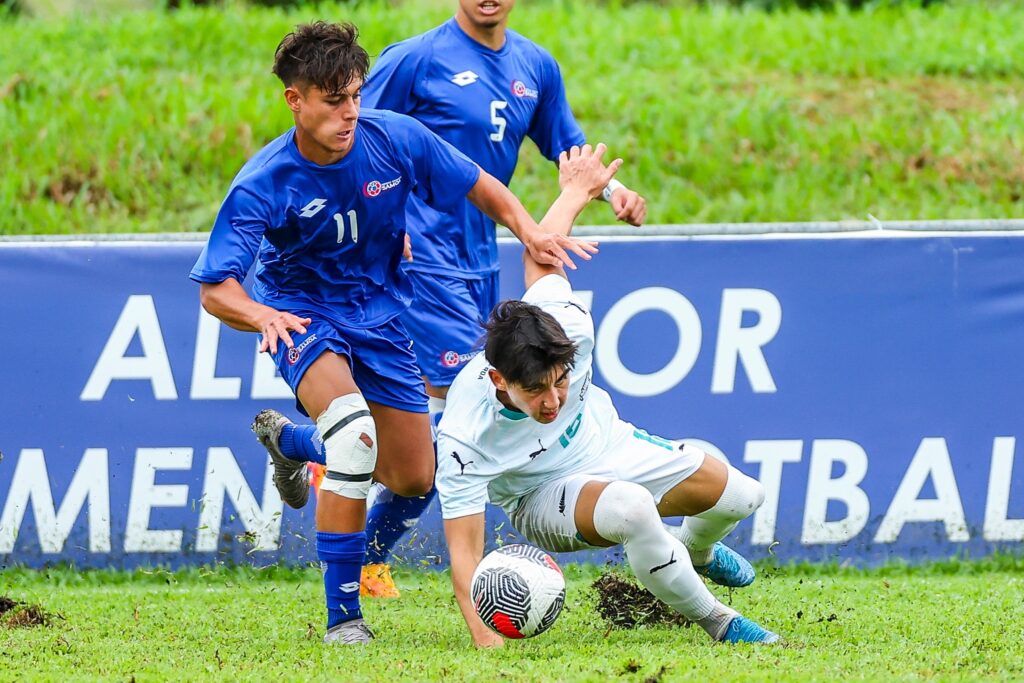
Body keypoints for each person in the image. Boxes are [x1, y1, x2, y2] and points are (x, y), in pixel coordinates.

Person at [189, 20, 597, 646]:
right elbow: (218, 288)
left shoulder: (395, 138)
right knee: (354, 440)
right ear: (294, 100)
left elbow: (481, 185)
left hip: (380, 313)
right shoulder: (265, 181)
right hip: (304, 316)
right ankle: (344, 619)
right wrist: (263, 315)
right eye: (333, 101)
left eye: (355, 96)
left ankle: (293, 443)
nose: (350, 112)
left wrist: (530, 232)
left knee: (415, 478)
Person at [253, 0, 649, 599]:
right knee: (468, 414)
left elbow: (568, 146)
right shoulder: (415, 59)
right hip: (422, 260)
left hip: (480, 259)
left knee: (448, 430)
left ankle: (305, 446)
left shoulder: (535, 65)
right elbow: (358, 139)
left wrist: (612, 189)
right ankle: (367, 557)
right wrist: (382, 220)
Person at [435, 144, 780, 648]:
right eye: (535, 391)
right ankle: (722, 623)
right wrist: (491, 646)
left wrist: (574, 192)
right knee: (634, 507)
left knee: (745, 497)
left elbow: (541, 255)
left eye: (560, 380)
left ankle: (695, 553)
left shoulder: (567, 326)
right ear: (499, 382)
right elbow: (465, 556)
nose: (552, 400)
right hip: (540, 497)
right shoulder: (467, 432)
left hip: (608, 444)